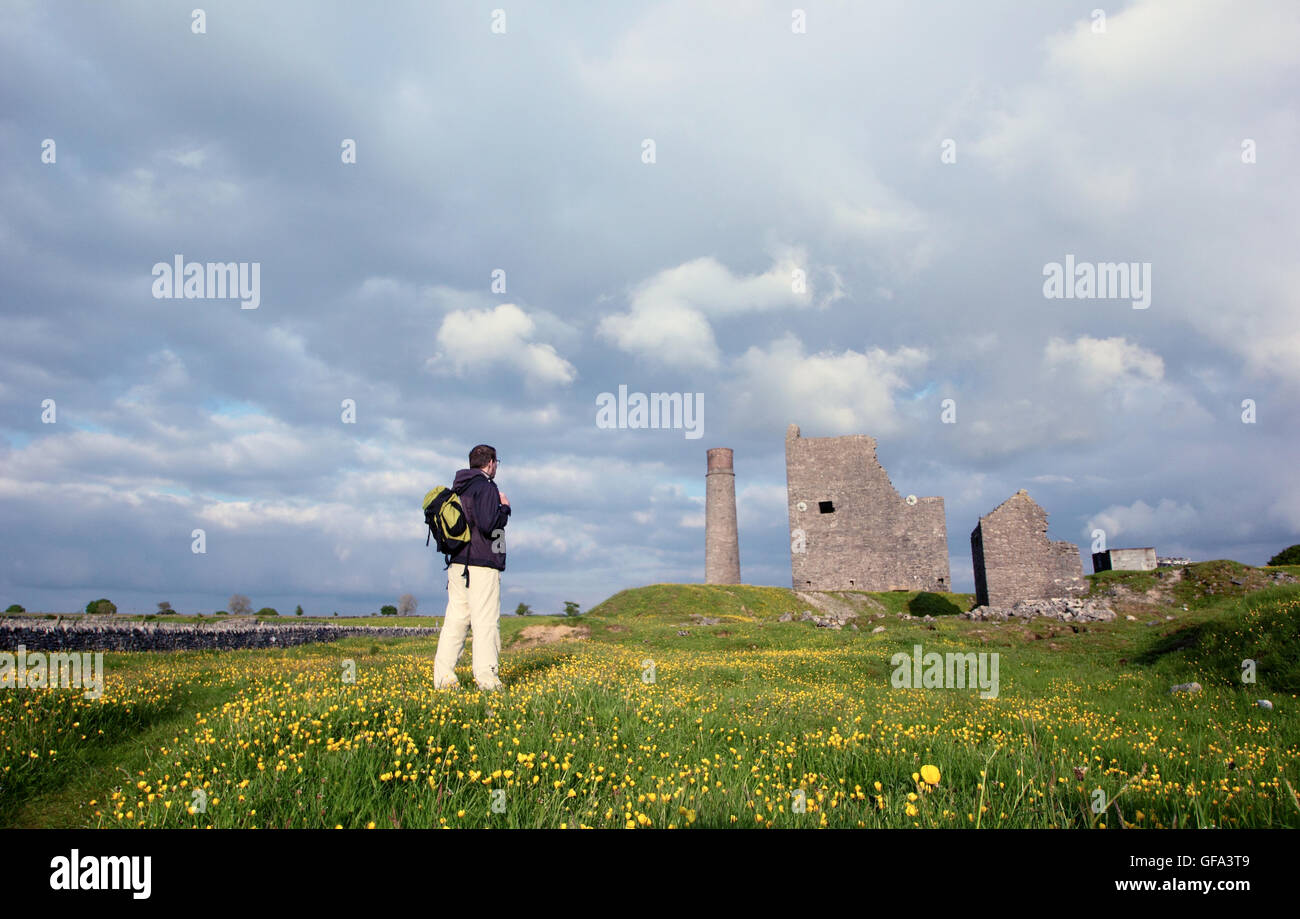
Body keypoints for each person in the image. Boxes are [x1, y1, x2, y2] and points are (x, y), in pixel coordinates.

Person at [433, 444, 511, 691]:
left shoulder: (458, 488)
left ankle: (443, 679)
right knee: (486, 622)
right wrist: (505, 509)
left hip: (457, 564)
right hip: (482, 564)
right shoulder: (486, 487)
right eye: (497, 462)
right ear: (490, 463)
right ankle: (487, 681)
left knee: (455, 622)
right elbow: (490, 525)